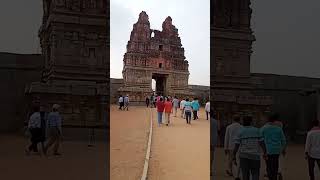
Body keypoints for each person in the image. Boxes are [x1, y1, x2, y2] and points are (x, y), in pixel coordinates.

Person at [233, 116, 267, 180]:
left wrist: (234, 155)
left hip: (243, 156)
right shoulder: (257, 130)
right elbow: (262, 143)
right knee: (255, 173)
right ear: (251, 122)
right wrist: (265, 153)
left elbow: (236, 145)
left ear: (243, 122)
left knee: (245, 174)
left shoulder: (240, 131)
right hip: (255, 156)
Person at [260, 113, 286, 180]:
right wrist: (283, 149)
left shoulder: (263, 128)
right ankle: (274, 177)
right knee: (275, 165)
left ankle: (270, 177)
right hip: (276, 150)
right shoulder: (279, 129)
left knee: (268, 166)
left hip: (267, 150)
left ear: (267, 120)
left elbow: (260, 138)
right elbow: (283, 140)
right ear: (274, 121)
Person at [211, 113, 218, 178]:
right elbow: (218, 129)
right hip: (213, 140)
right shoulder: (216, 121)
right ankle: (210, 169)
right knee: (212, 155)